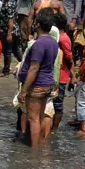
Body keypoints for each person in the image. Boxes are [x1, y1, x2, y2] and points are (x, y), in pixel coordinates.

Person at [17, 10, 60, 148]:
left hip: (37, 84)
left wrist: (24, 91)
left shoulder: (39, 44)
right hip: (47, 83)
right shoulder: (53, 42)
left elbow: (34, 68)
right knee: (40, 117)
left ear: (38, 25)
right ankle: (40, 145)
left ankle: (34, 151)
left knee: (33, 118)